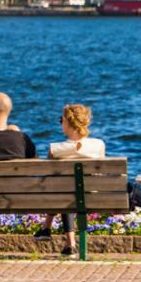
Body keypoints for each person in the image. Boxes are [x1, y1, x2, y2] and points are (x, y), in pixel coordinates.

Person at [33, 104, 106, 257]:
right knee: (69, 188)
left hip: (63, 196)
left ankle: (66, 240)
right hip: (92, 195)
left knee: (64, 188)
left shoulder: (55, 149)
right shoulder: (98, 145)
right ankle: (49, 230)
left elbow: (49, 178)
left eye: (61, 120)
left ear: (66, 121)